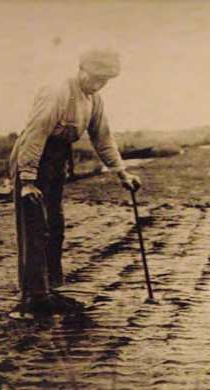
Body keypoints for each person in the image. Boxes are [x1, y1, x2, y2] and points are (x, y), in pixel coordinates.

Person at [9, 49, 141, 314]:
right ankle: (33, 298)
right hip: (32, 161)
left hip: (57, 164)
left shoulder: (94, 100)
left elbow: (103, 138)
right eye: (95, 78)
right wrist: (27, 181)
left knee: (55, 226)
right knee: (35, 229)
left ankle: (52, 290)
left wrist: (121, 172)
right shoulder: (57, 92)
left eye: (105, 81)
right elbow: (35, 135)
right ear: (81, 69)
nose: (99, 84)